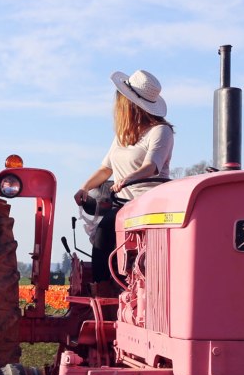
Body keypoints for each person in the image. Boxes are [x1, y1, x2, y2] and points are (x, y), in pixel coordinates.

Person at [73, 69, 174, 294]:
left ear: (128, 104)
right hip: (123, 203)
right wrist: (85, 187)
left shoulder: (161, 131)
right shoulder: (123, 136)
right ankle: (102, 292)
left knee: (107, 228)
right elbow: (105, 168)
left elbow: (152, 166)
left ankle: (120, 290)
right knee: (102, 238)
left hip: (148, 202)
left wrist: (128, 178)